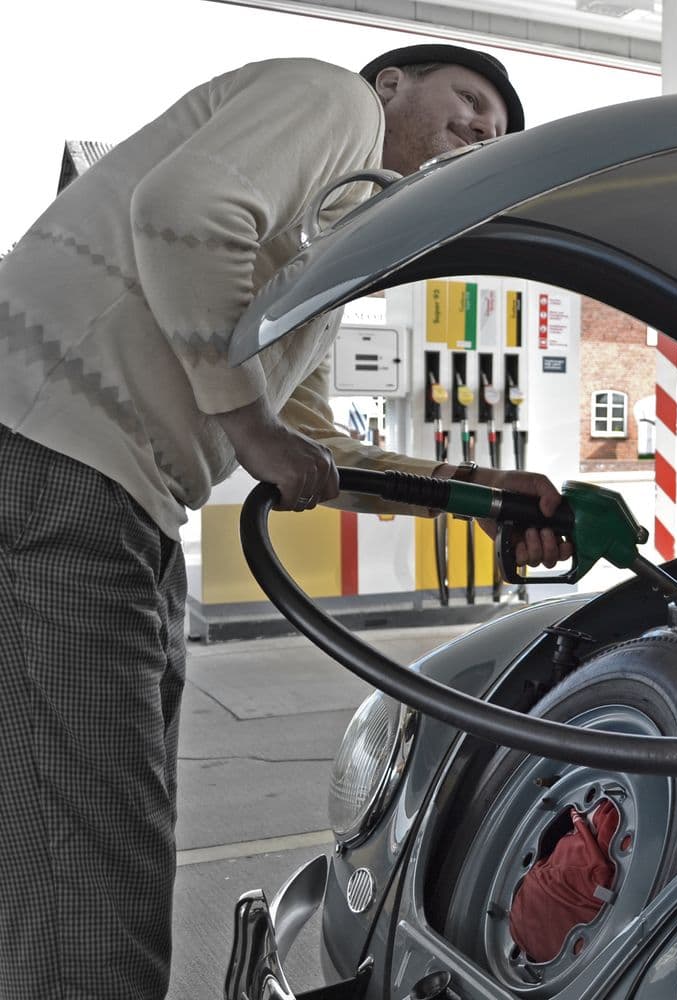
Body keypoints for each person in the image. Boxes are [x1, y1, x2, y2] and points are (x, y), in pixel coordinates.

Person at [0, 44, 570, 1000]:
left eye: (497, 133)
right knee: (95, 878)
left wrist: (471, 489)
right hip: (58, 467)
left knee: (63, 852)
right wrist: (248, 424)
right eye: (469, 105)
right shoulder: (331, 99)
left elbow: (305, 448)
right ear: (392, 85)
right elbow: (183, 212)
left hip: (110, 500)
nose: (481, 132)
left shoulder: (325, 250)